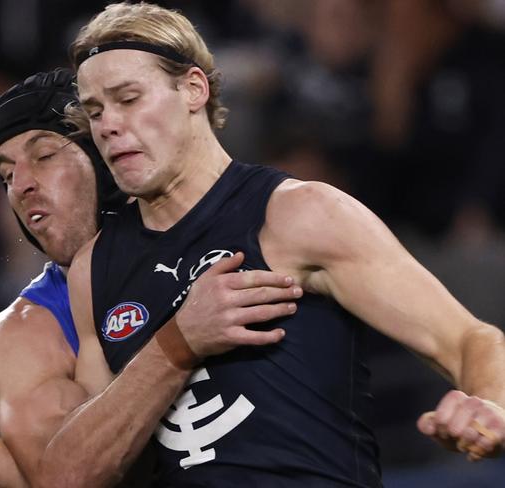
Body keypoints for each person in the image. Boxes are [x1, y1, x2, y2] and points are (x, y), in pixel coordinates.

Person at [34, 2, 505, 487]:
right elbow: (71, 476)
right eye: (94, 111)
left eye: (128, 98)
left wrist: (489, 405)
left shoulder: (298, 214)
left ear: (193, 89)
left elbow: (471, 340)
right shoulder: (96, 266)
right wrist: (177, 345)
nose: (108, 125)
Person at [0, 67, 302, 487]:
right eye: (8, 175)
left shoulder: (236, 237)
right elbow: (63, 479)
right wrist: (179, 342)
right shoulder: (23, 333)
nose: (22, 185)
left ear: (105, 157)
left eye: (44, 156)